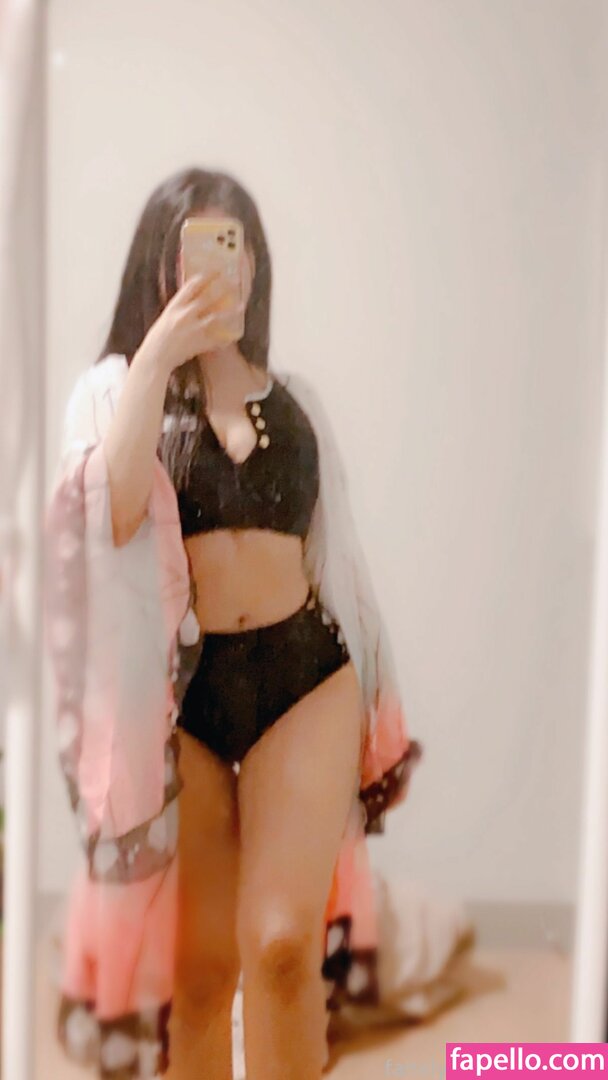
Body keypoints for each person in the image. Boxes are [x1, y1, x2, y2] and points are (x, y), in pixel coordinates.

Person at [45, 165, 422, 1080]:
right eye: (201, 248)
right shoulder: (115, 391)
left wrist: (381, 700)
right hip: (187, 702)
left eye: (237, 244)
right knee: (203, 972)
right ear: (162, 265)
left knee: (284, 945)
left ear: (255, 265)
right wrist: (161, 355)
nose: (226, 265)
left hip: (306, 677)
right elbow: (112, 514)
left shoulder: (299, 401)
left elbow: (342, 564)